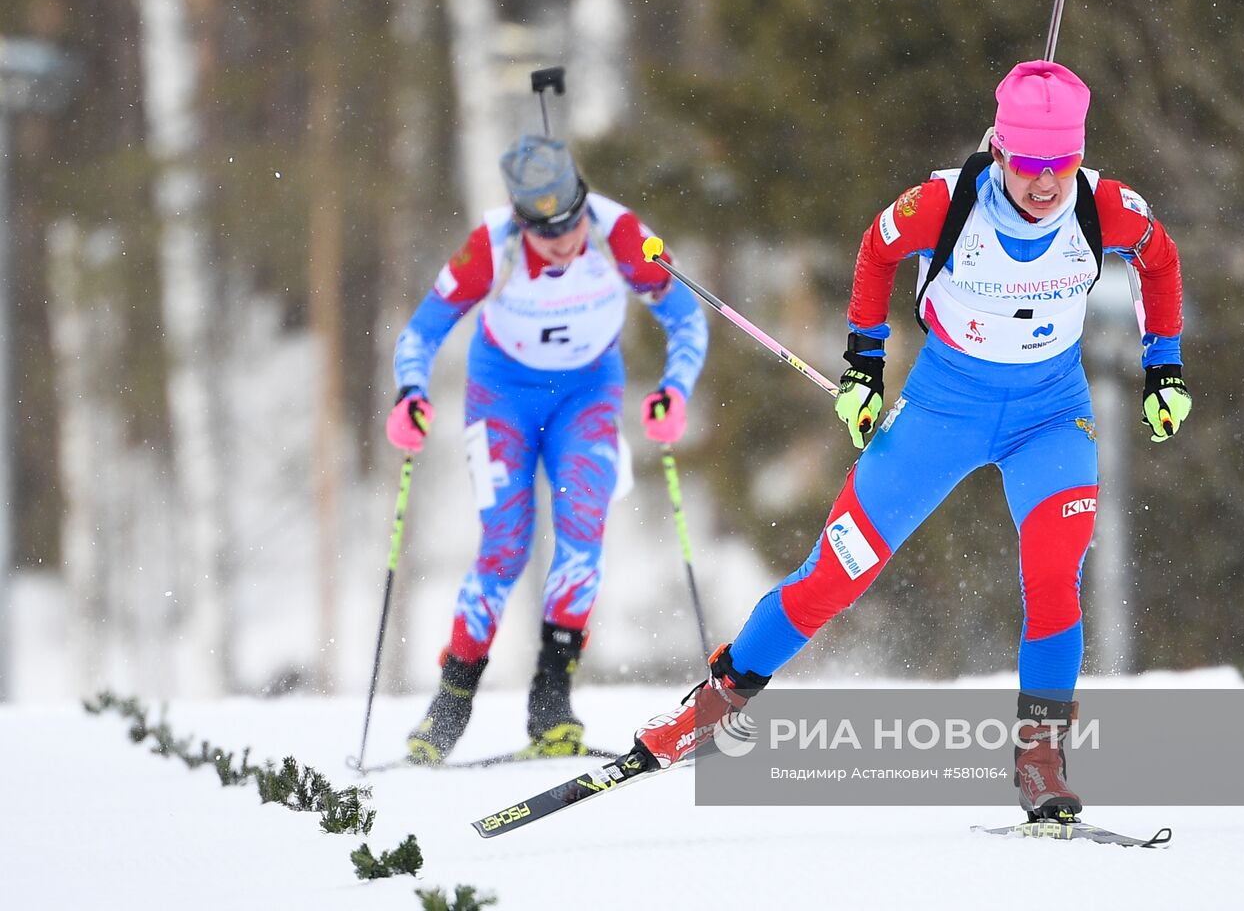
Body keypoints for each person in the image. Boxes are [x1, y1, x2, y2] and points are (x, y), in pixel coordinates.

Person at [632, 60, 1190, 820]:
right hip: (940, 409)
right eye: (1027, 164)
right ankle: (717, 699)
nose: (1043, 184)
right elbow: (875, 250)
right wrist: (861, 366)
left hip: (1050, 415)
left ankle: (1038, 756)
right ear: (997, 149)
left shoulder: (1106, 207)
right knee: (838, 571)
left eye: (1059, 164)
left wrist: (1164, 367)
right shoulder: (943, 203)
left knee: (1053, 578)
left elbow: (1158, 261)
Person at [389, 133, 708, 764]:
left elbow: (686, 315)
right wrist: (410, 394)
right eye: (548, 234)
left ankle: (552, 700)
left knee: (583, 535)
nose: (565, 243)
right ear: (520, 222)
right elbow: (421, 332)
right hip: (500, 396)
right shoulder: (491, 244)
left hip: (587, 395)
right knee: (505, 546)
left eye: (573, 225)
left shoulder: (621, 235)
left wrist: (676, 390)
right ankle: (452, 697)